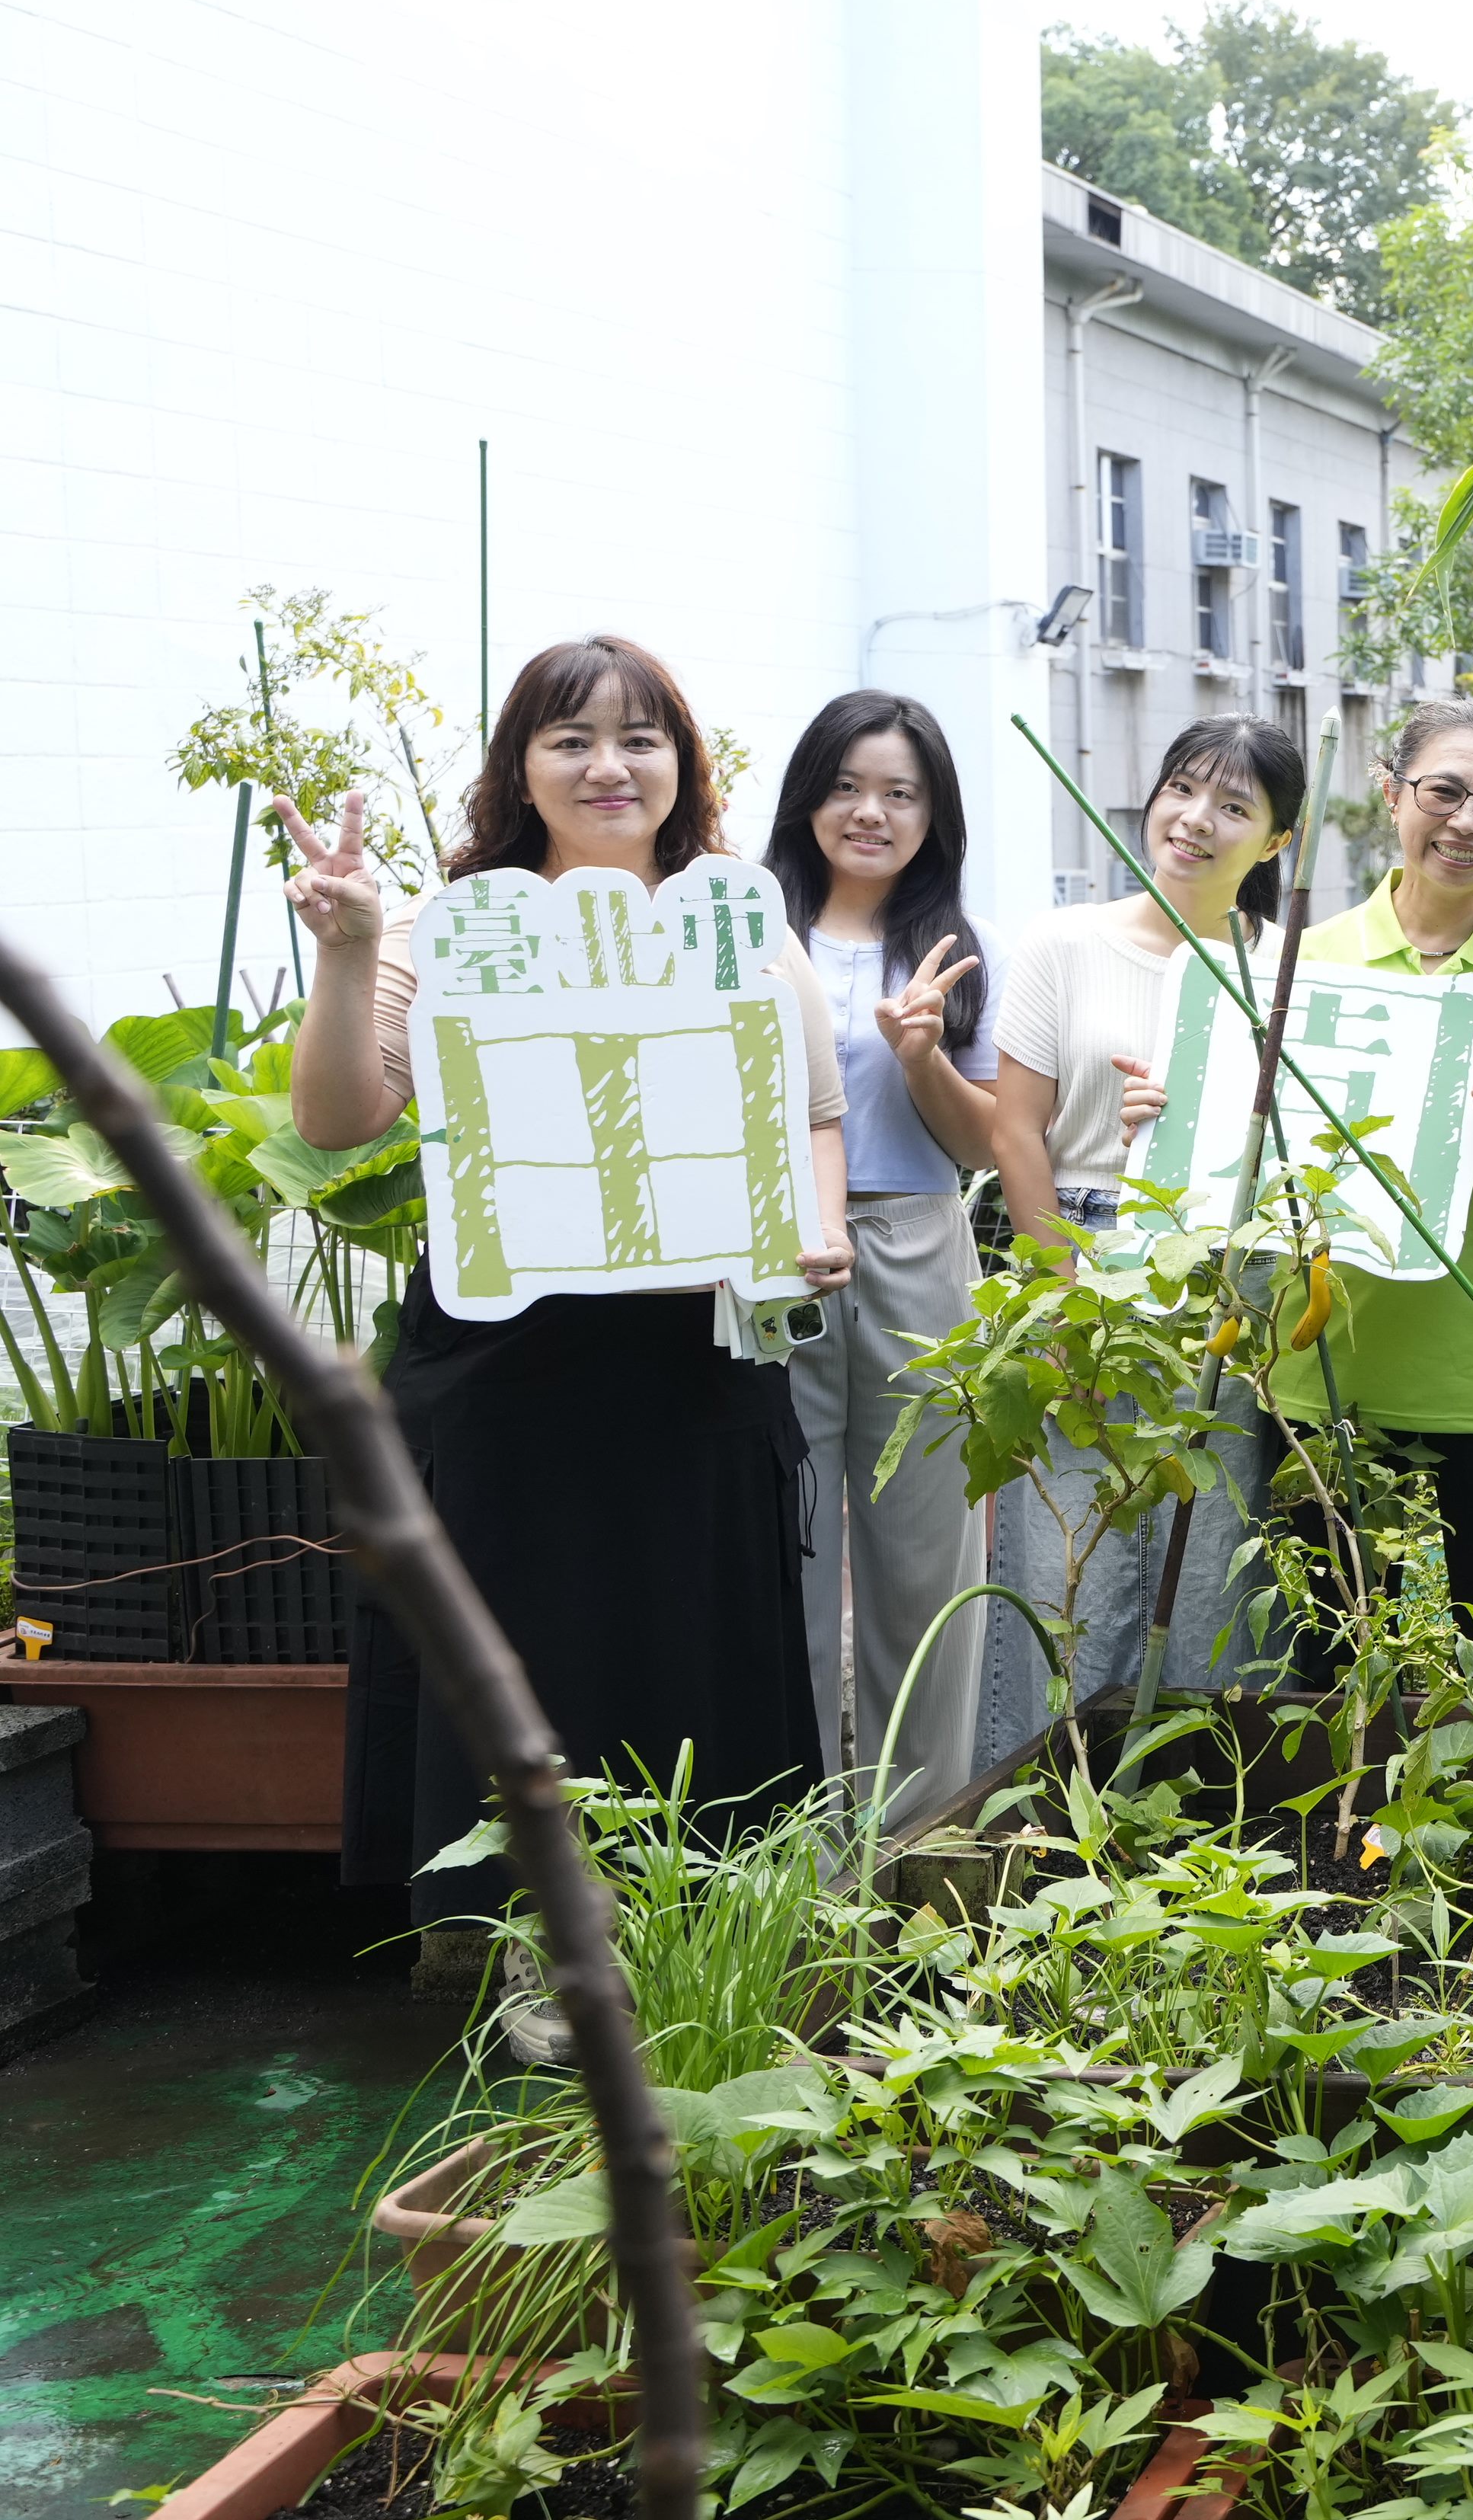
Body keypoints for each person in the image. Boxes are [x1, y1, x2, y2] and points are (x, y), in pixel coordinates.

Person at [278, 637, 854, 1899]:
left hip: (694, 1364)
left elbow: (813, 1106)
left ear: (681, 764)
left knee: (691, 1653)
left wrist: (820, 1224)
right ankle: (524, 1940)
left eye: (640, 737)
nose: (610, 765)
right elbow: (336, 1118)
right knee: (517, 1655)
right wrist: (347, 946)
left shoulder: (732, 913)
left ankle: (707, 1935)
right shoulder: (451, 924)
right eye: (572, 739)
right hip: (504, 1366)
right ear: (519, 769)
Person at [981, 717, 1301, 1744]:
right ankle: (1043, 1806)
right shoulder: (1064, 941)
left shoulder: (1283, 966)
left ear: (1277, 843)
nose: (1196, 821)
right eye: (1182, 790)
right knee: (1071, 1552)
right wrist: (1063, 1291)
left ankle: (1197, 1812)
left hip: (1224, 1268)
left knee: (1203, 1550)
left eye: (1235, 808)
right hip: (1079, 1243)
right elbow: (1014, 1129)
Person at [1278, 696, 1473, 1671]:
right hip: (1324, 1359)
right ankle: (1334, 1834)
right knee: (1323, 1665)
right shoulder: (1300, 958)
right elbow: (1248, 1151)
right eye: (1443, 792)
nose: (1465, 823)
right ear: (1390, 793)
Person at [765, 692, 996, 1826]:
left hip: (916, 1241)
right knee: (788, 1547)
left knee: (923, 1559)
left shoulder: (952, 949)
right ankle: (792, 1848)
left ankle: (921, 1843)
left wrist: (921, 1060)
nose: (872, 812)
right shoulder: (748, 932)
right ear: (808, 793)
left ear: (933, 816)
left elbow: (981, 1144)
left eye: (902, 793)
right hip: (775, 1257)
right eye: (850, 785)